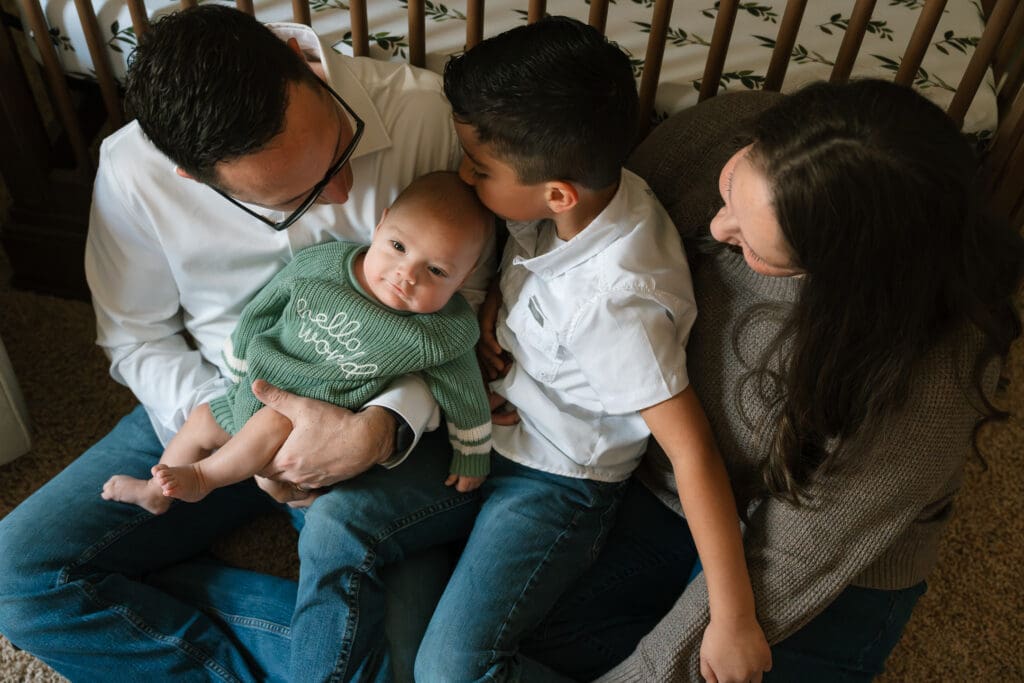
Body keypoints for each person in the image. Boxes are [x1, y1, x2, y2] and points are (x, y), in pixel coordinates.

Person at [0, 6, 492, 682]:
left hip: (368, 410)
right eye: (300, 196)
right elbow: (135, 335)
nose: (345, 192)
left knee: (410, 666)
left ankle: (179, 586)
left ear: (304, 67)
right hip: (220, 395)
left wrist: (378, 428)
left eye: (343, 149)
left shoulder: (424, 117)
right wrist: (241, 430)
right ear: (195, 179)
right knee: (17, 580)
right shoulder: (132, 169)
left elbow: (464, 313)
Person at [277, 16, 771, 683]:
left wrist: (732, 615)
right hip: (483, 432)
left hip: (556, 483)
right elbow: (533, 276)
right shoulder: (556, 208)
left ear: (556, 193)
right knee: (336, 519)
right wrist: (490, 311)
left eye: (478, 170)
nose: (461, 175)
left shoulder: (617, 304)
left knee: (450, 670)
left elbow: (693, 450)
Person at [513, 81, 1024, 681]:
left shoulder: (930, 370)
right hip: (670, 489)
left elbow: (794, 554)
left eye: (758, 248)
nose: (718, 224)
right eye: (732, 189)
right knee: (515, 627)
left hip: (819, 551)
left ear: (837, 271)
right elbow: (581, 249)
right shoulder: (722, 135)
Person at [101, 171, 494, 514]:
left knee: (271, 423)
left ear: (463, 277)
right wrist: (236, 366)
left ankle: (205, 477)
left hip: (312, 427)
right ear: (381, 225)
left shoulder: (441, 332)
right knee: (202, 419)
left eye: (437, 270)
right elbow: (264, 307)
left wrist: (472, 453)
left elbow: (464, 391)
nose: (406, 275)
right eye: (398, 247)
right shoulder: (323, 265)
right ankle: (156, 492)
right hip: (255, 386)